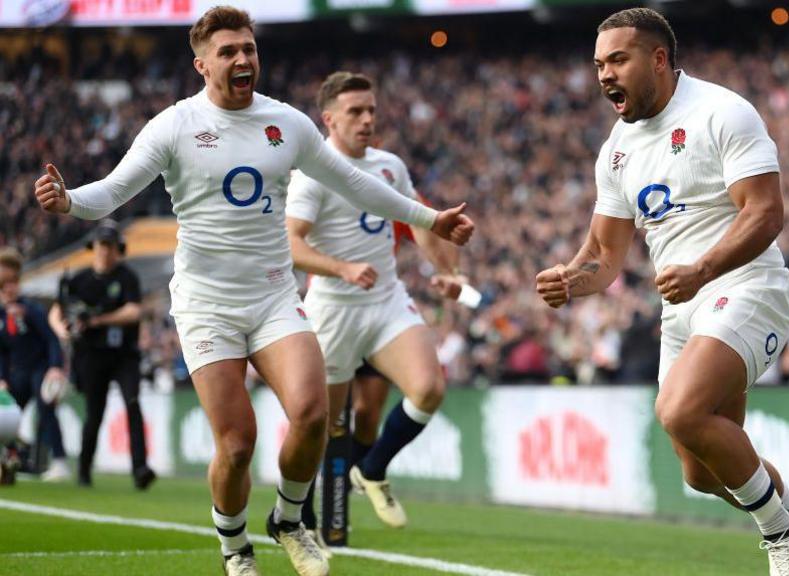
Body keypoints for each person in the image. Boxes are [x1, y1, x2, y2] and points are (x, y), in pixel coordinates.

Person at [32, 7, 474, 576]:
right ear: (201, 65)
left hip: (271, 295)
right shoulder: (175, 125)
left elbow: (357, 184)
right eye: (228, 52)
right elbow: (113, 191)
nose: (243, 59)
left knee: (313, 413)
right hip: (206, 304)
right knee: (237, 444)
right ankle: (235, 547)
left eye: (249, 48)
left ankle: (288, 520)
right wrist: (68, 201)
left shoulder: (287, 124)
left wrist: (429, 217)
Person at [535, 8, 789, 576]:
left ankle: (781, 535)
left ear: (658, 59)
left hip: (746, 284)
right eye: (599, 63)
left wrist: (702, 269)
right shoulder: (617, 149)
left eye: (618, 60)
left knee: (678, 410)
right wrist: (569, 281)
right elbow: (604, 258)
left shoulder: (721, 112)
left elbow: (767, 212)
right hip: (683, 308)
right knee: (701, 472)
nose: (605, 74)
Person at [285, 71, 466, 533]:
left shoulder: (390, 165)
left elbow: (419, 223)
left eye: (371, 111)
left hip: (386, 298)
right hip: (332, 308)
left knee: (428, 388)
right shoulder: (312, 174)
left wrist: (447, 271)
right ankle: (296, 514)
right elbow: (292, 244)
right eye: (356, 112)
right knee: (317, 426)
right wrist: (341, 267)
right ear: (328, 119)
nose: (368, 119)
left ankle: (375, 468)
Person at [48, 222, 153, 489]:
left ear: (118, 249)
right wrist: (62, 331)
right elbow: (57, 311)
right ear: (93, 247)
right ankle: (84, 469)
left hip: (124, 355)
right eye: (101, 245)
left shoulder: (127, 277)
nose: (105, 251)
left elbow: (133, 311)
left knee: (133, 404)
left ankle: (140, 468)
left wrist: (97, 320)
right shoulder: (79, 279)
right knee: (94, 413)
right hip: (92, 355)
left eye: (110, 246)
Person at [0, 248, 68, 481]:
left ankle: (59, 461)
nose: (8, 288)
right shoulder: (1, 315)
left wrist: (55, 367)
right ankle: (10, 459)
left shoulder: (31, 309)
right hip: (16, 373)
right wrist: (2, 379)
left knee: (45, 409)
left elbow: (51, 339)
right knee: (6, 414)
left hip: (39, 369)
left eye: (11, 282)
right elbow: (3, 352)